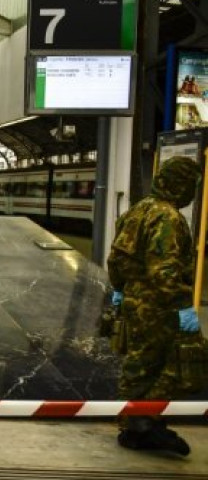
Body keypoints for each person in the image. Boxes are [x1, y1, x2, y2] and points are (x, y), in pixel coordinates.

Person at [107, 155, 202, 456]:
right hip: (159, 306)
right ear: (181, 185)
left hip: (134, 300)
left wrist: (120, 289)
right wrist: (183, 307)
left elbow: (116, 257)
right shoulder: (169, 218)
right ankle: (145, 422)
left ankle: (132, 427)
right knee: (175, 363)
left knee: (138, 364)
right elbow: (165, 272)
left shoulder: (138, 209)